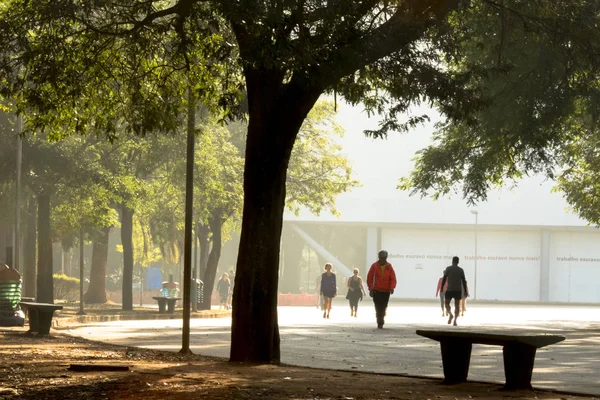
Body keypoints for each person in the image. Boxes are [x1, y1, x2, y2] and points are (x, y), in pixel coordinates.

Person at [366, 250, 397, 329]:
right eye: (381, 258)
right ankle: (379, 321)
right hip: (376, 290)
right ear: (379, 257)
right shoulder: (374, 266)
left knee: (384, 306)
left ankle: (381, 317)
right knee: (377, 306)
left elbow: (393, 278)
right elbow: (369, 278)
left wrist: (392, 287)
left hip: (386, 291)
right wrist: (371, 289)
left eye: (384, 258)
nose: (382, 260)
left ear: (386, 258)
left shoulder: (389, 267)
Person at [441, 256, 469, 326]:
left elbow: (444, 278)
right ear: (458, 262)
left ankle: (450, 314)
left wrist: (442, 287)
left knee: (446, 304)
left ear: (452, 261)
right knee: (457, 306)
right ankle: (455, 321)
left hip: (449, 289)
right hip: (457, 290)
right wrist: (465, 291)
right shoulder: (461, 270)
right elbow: (463, 281)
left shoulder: (448, 269)